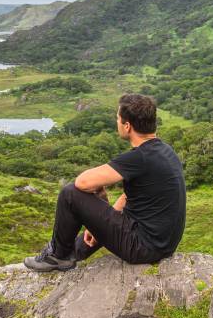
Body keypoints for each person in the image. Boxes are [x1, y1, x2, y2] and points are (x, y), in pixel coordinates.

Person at [24, 93, 186, 272]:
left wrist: (98, 196)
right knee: (97, 193)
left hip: (143, 248)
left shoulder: (140, 157)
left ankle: (57, 256)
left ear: (127, 126)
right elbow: (130, 195)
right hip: (162, 244)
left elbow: (82, 182)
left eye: (118, 118)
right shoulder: (165, 150)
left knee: (70, 193)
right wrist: (96, 226)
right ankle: (75, 252)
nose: (116, 122)